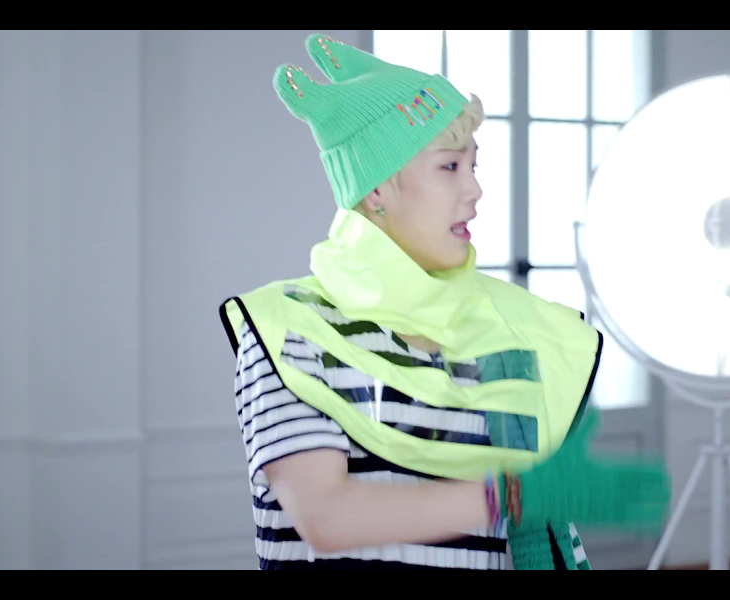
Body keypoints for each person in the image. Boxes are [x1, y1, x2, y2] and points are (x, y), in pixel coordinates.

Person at [219, 33, 670, 570]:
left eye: (474, 167)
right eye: (451, 166)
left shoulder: (507, 331)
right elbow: (327, 518)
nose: (476, 190)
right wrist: (512, 495)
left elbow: (522, 538)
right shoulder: (289, 332)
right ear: (377, 188)